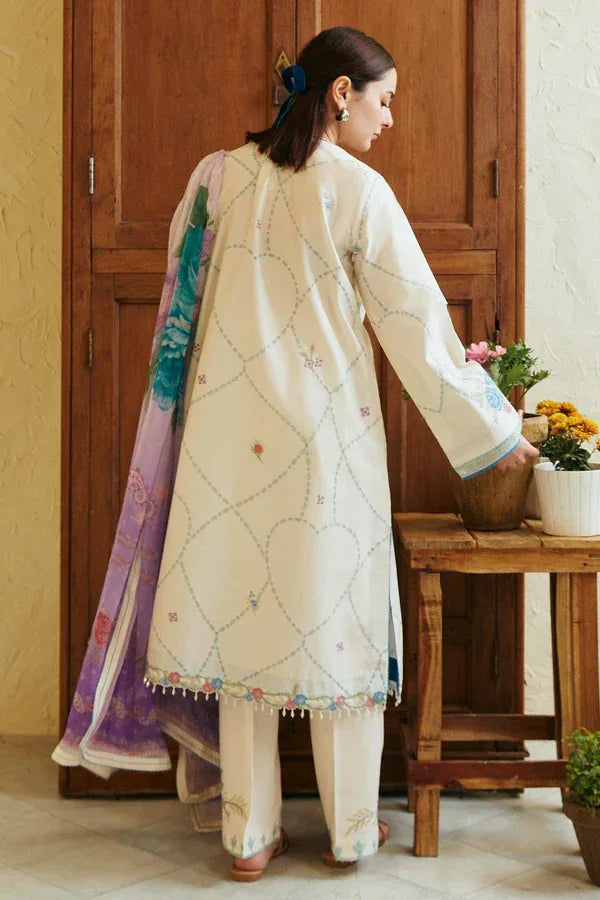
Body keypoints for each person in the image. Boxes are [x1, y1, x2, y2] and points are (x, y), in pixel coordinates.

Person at [139, 25, 539, 881]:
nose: (390, 120)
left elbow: (182, 302)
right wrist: (494, 434)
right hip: (325, 434)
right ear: (340, 94)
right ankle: (352, 832)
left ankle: (247, 837)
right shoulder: (358, 190)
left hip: (223, 434)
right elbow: (418, 329)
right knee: (338, 623)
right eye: (384, 100)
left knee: (240, 618)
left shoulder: (217, 178)